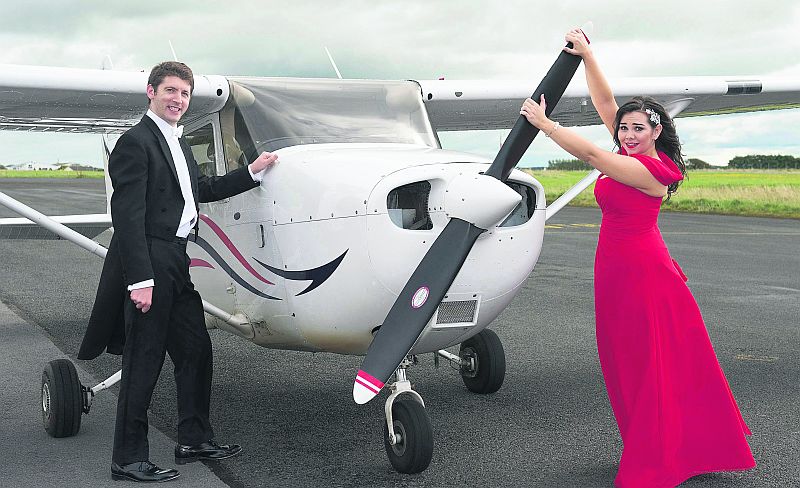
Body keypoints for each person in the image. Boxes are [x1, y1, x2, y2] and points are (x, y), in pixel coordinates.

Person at [520, 29, 756, 487]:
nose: (626, 135)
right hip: (615, 270)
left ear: (657, 132)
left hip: (645, 274)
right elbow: (607, 104)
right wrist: (589, 58)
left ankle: (662, 454)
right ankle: (663, 443)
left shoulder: (649, 171)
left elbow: (589, 152)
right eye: (624, 129)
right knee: (625, 359)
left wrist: (545, 125)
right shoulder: (630, 148)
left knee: (651, 364)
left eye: (637, 129)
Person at [77, 61, 278, 483]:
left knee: (195, 350)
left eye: (184, 94)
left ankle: (194, 438)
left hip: (177, 258)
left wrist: (251, 173)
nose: (178, 100)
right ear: (151, 92)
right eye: (170, 91)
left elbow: (197, 193)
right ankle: (128, 459)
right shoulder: (135, 142)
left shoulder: (178, 143)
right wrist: (141, 279)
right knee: (144, 361)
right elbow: (127, 215)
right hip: (150, 258)